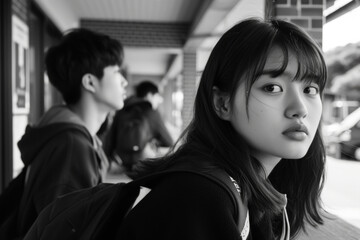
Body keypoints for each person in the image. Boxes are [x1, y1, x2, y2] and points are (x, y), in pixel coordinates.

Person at [117, 18, 328, 239]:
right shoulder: (200, 195)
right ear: (222, 103)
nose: (300, 108)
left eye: (310, 89)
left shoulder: (247, 186)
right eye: (272, 87)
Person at [12, 28, 127, 239]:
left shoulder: (68, 136)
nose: (124, 81)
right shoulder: (71, 146)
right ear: (90, 82)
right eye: (117, 71)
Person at [104, 80, 174, 176]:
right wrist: (154, 144)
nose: (159, 100)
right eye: (157, 96)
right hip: (144, 165)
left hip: (121, 165)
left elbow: (110, 140)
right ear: (149, 95)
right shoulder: (151, 112)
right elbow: (168, 141)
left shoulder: (122, 110)